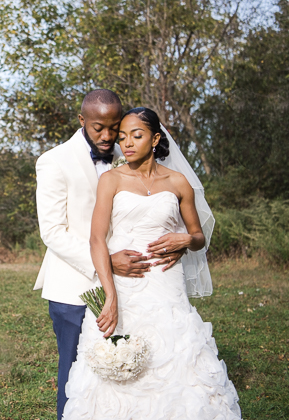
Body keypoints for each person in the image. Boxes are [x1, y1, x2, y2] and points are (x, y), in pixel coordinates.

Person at [62, 107, 242, 419]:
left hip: (166, 283)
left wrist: (185, 240)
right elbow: (96, 239)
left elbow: (199, 236)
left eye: (136, 135)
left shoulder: (178, 182)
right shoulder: (111, 180)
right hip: (123, 283)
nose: (126, 143)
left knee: (174, 356)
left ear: (156, 138)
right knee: (117, 361)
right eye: (122, 137)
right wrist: (111, 297)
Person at [34, 91, 185, 420]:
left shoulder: (129, 153)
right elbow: (53, 231)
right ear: (82, 121)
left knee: (128, 376)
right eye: (99, 128)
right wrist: (106, 260)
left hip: (131, 287)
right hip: (75, 286)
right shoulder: (54, 161)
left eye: (114, 128)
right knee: (77, 377)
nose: (108, 137)